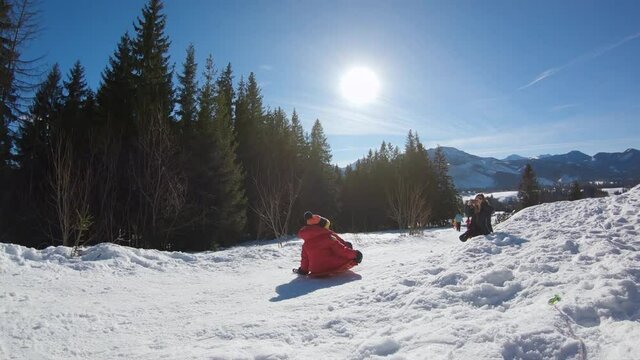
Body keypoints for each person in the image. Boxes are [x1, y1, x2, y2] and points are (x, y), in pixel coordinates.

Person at [294, 211, 363, 276]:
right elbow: (341, 250)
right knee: (349, 251)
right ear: (321, 227)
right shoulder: (328, 238)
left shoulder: (306, 244)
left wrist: (302, 270)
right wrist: (356, 254)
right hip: (330, 266)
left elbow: (305, 259)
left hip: (316, 270)